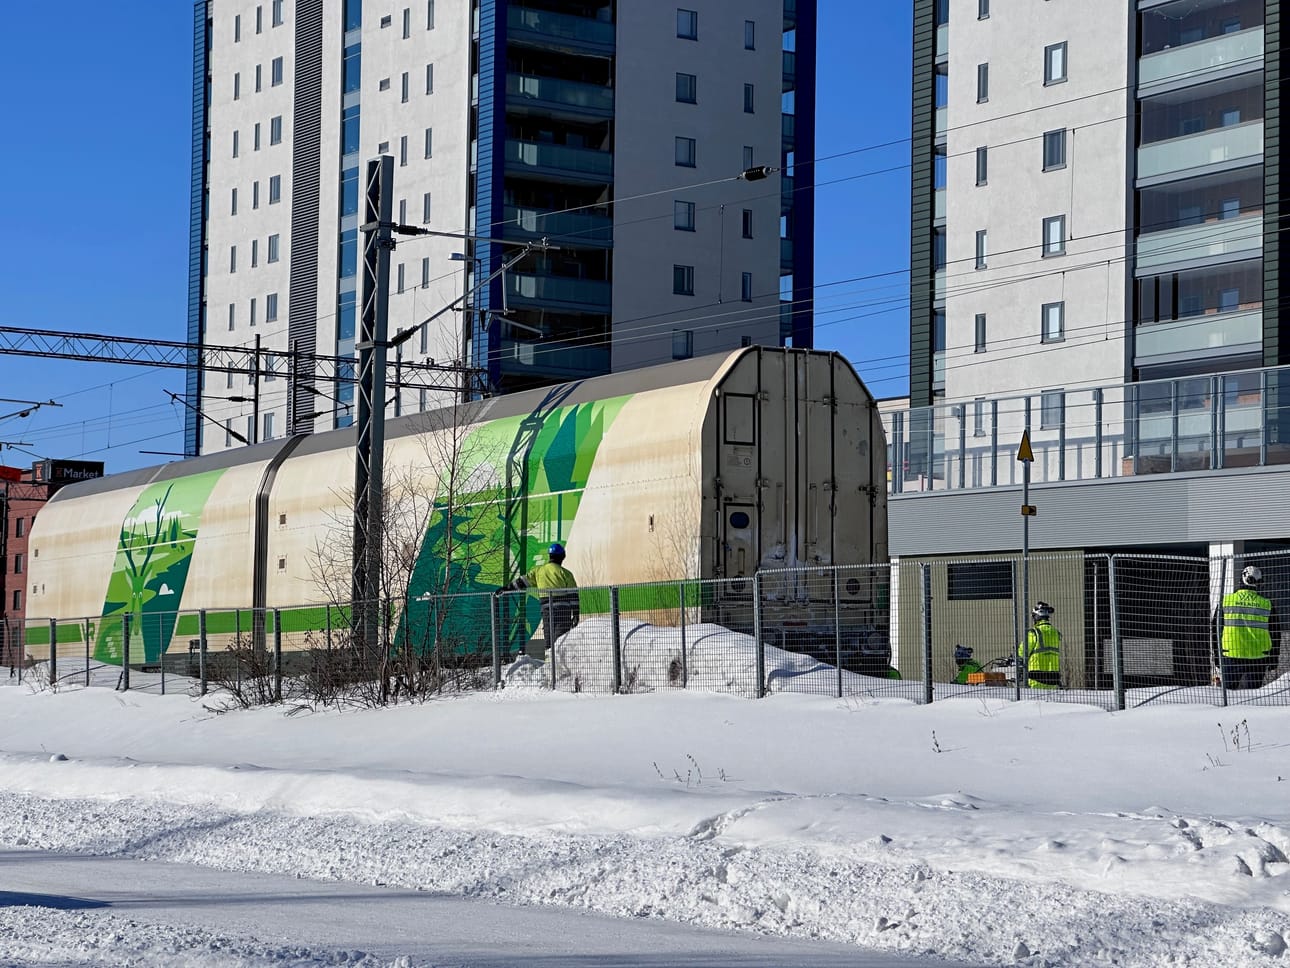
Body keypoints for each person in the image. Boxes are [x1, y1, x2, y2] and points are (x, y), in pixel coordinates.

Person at [497, 543, 579, 655]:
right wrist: (576, 613)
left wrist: (506, 588)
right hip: (563, 610)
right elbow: (573, 595)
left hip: (546, 609)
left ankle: (549, 663)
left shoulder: (539, 571)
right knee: (561, 638)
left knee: (548, 637)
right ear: (562, 556)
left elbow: (521, 582)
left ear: (550, 556)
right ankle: (559, 662)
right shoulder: (565, 573)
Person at [1215, 565, 1281, 689]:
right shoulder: (1267, 604)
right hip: (1259, 656)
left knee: (1228, 695)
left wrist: (1217, 656)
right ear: (1259, 582)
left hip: (1231, 655)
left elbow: (1216, 630)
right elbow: (1275, 633)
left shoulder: (1225, 601)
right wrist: (1274, 658)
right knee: (1253, 698)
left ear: (1242, 579)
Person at [1018, 601, 1061, 689]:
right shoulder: (1055, 632)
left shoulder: (1034, 632)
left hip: (1036, 676)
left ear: (1036, 617)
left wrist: (1016, 656)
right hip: (1053, 677)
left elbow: (1023, 652)